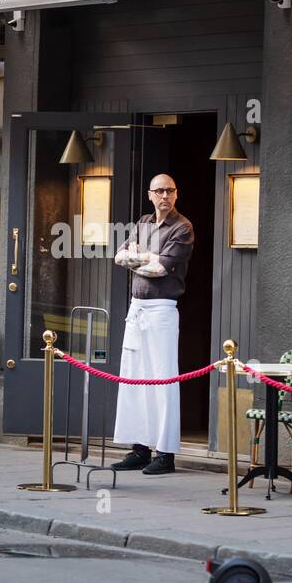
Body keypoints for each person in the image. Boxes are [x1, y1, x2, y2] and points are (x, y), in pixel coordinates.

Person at [110, 173, 194, 475]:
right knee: (133, 377)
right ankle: (139, 449)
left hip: (161, 310)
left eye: (170, 190)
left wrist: (140, 259)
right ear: (150, 194)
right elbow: (119, 256)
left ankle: (165, 454)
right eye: (159, 191)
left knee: (161, 380)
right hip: (137, 309)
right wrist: (144, 258)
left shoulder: (183, 227)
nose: (165, 196)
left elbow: (160, 270)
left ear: (176, 193)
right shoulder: (143, 222)